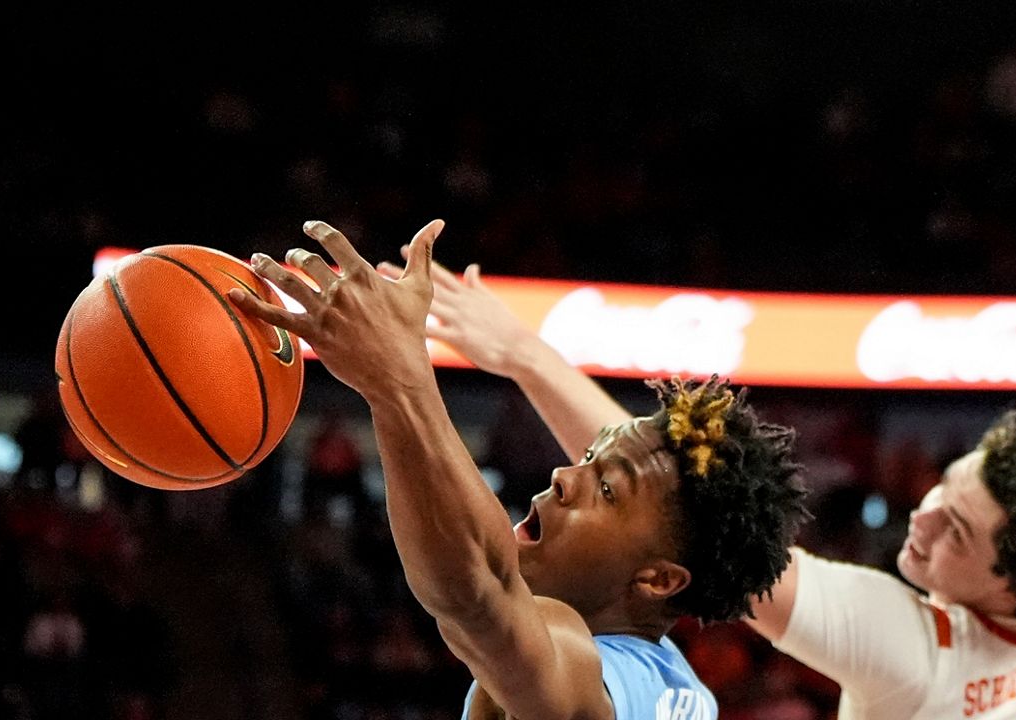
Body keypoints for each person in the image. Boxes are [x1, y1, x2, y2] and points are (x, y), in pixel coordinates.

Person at [396, 9, 1016, 718]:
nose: (923, 516)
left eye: (956, 532)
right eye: (948, 485)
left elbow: (693, 505)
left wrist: (526, 358)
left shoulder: (914, 649)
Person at [228, 221, 811, 718]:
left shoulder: (593, 677)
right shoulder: (686, 692)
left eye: (606, 489)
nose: (565, 475)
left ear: (658, 580)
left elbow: (477, 592)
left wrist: (397, 381)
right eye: (588, 457)